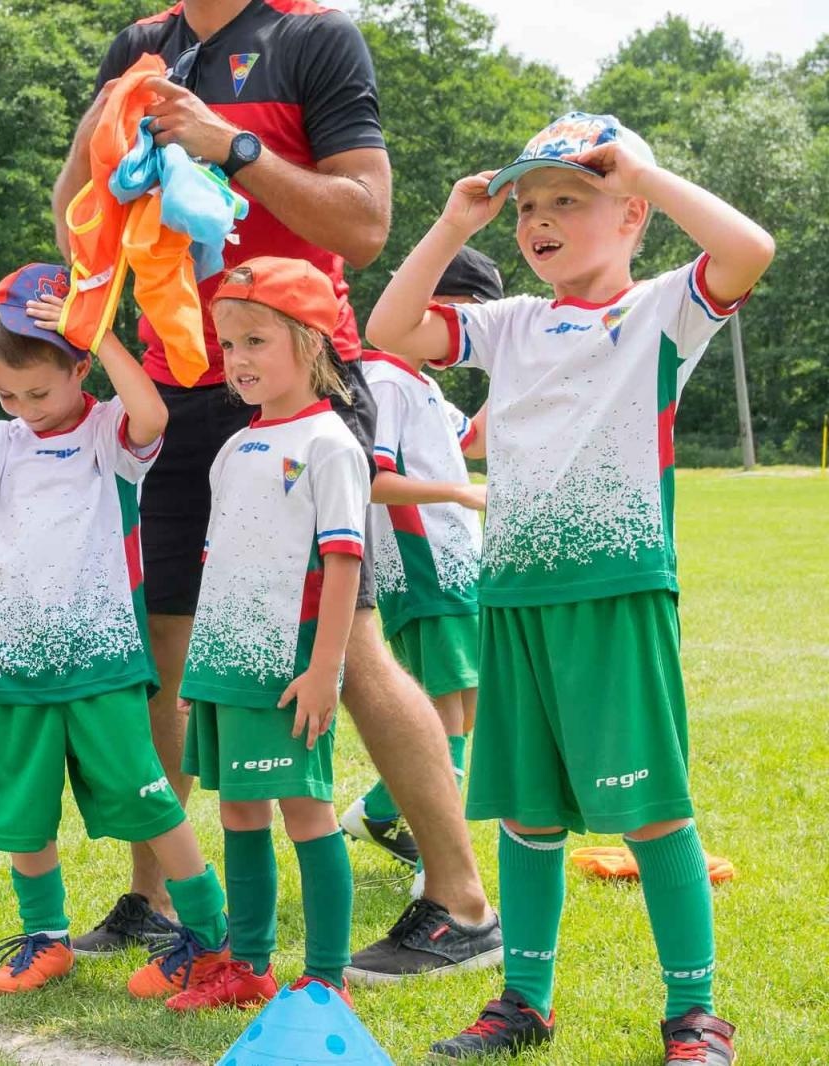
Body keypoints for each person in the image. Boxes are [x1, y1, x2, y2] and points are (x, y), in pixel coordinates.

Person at [54, 0, 500, 981]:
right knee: (167, 638)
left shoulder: (312, 36)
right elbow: (75, 209)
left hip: (303, 380)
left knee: (350, 646)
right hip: (180, 380)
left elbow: (367, 221)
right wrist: (110, 120)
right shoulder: (142, 43)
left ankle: (461, 902)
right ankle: (157, 896)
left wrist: (232, 147)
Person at [367, 111, 773, 1062]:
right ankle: (524, 1004)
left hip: (616, 590)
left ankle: (694, 1015)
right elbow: (389, 328)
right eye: (529, 207)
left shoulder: (663, 308)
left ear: (632, 215)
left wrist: (646, 171)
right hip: (512, 597)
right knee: (528, 812)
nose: (539, 220)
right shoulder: (510, 322)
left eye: (569, 201)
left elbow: (748, 247)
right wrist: (455, 226)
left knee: (652, 809)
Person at [0, 263, 229, 999]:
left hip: (101, 666)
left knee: (148, 798)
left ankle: (212, 941)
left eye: (40, 390)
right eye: (9, 393)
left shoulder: (105, 432)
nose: (26, 406)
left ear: (80, 367)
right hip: (13, 672)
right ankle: (47, 939)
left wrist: (98, 330)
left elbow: (153, 416)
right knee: (22, 811)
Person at [164, 258, 368, 1011]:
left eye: (256, 341)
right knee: (238, 809)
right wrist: (200, 674)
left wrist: (325, 671)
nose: (238, 360)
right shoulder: (235, 445)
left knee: (304, 810)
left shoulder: (329, 443)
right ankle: (248, 966)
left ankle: (327, 977)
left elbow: (345, 564)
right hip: (226, 667)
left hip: (288, 667)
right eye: (228, 345)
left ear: (311, 344)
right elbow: (219, 565)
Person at [340, 247, 500, 901]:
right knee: (444, 713)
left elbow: (476, 442)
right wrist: (459, 496)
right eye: (473, 318)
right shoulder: (381, 378)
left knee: (464, 706)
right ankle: (442, 868)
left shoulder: (425, 385)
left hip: (459, 567)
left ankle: (379, 814)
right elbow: (371, 478)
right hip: (423, 571)